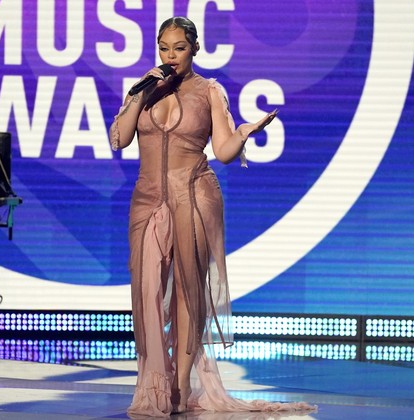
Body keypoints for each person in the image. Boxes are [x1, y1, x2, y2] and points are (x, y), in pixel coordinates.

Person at [110, 16, 317, 418]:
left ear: (195, 49)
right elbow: (119, 139)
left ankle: (181, 381)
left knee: (189, 289)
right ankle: (153, 378)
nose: (171, 56)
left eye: (179, 48)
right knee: (147, 288)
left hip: (193, 194)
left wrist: (244, 132)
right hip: (148, 198)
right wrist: (138, 94)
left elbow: (222, 151)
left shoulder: (209, 91)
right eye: (164, 48)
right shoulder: (144, 90)